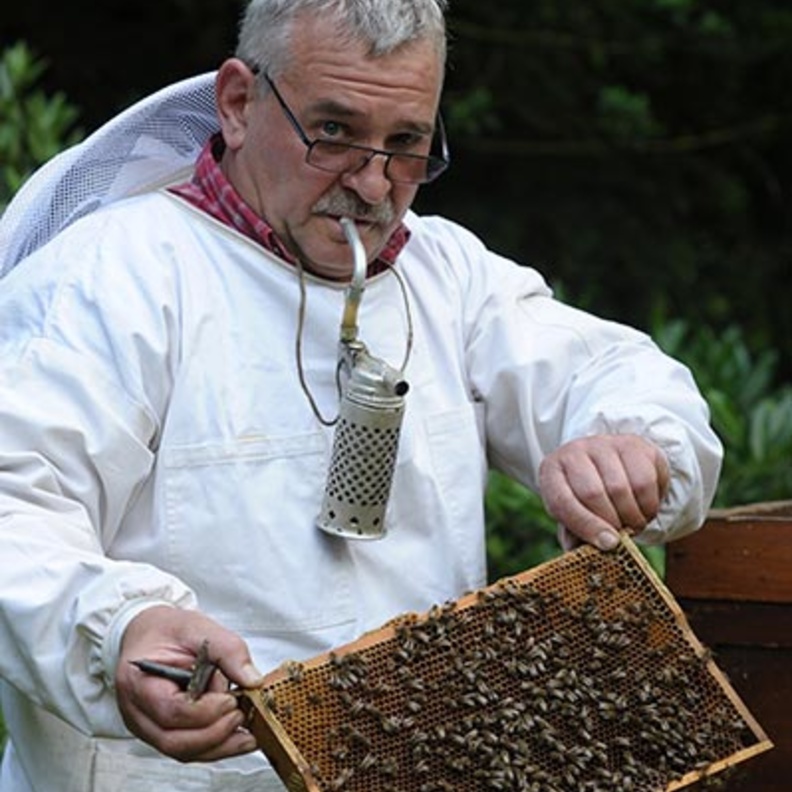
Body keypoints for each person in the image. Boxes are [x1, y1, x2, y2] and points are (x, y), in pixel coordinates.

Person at [0, 0, 722, 790]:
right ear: (239, 104)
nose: (373, 183)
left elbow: (613, 373)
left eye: (406, 143)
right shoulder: (110, 279)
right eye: (334, 132)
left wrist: (628, 447)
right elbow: (15, 506)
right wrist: (117, 629)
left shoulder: (450, 279)